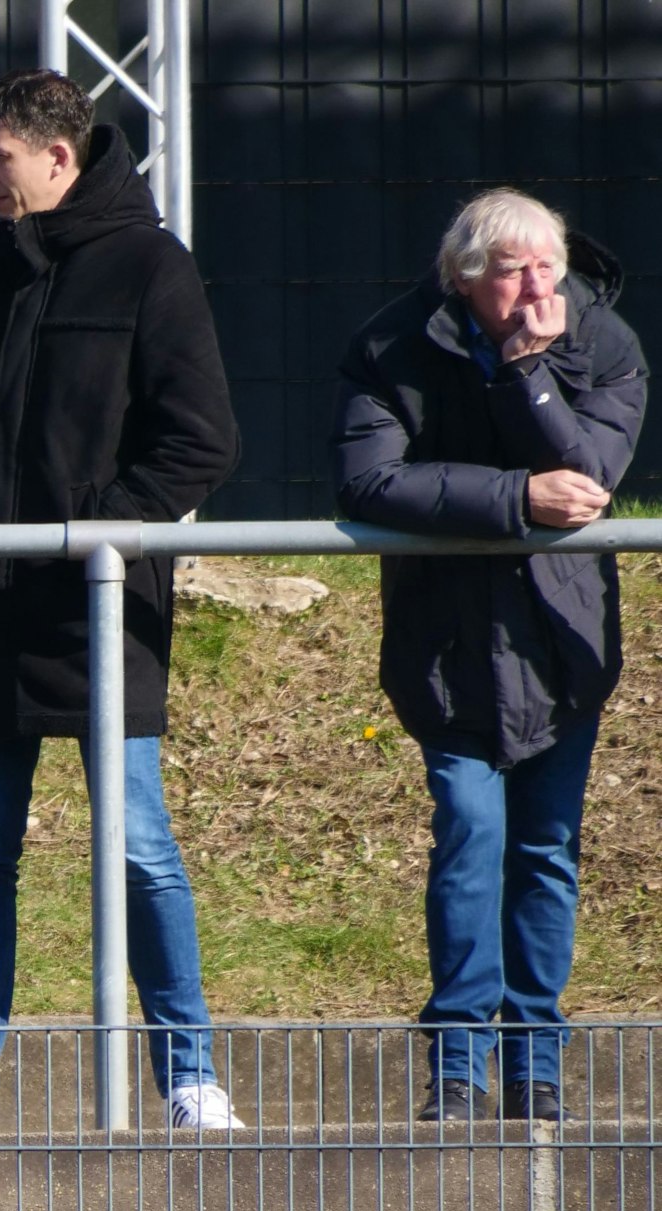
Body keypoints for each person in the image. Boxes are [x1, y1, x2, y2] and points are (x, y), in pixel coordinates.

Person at [0, 69, 243, 1135]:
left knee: (136, 840)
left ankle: (188, 1077)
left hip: (96, 613)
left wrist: (95, 532)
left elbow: (200, 441)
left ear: (57, 156)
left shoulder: (150, 266)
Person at [334, 189, 646, 1123]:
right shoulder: (391, 345)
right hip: (445, 649)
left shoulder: (605, 342)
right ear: (465, 278)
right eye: (512, 272)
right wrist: (512, 499)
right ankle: (460, 1065)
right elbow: (368, 478)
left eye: (545, 265)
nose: (535, 286)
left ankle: (536, 1060)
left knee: (546, 851)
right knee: (471, 837)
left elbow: (589, 480)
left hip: (564, 646)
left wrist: (531, 373)